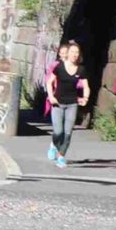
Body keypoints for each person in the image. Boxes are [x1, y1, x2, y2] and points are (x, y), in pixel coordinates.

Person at [47, 39, 90, 168]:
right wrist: (51, 96)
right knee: (58, 132)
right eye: (72, 52)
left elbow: (86, 86)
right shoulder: (59, 67)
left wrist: (85, 98)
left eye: (77, 52)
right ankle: (54, 145)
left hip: (72, 104)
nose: (75, 54)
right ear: (68, 53)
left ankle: (61, 156)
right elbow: (49, 82)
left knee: (68, 132)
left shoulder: (81, 70)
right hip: (58, 103)